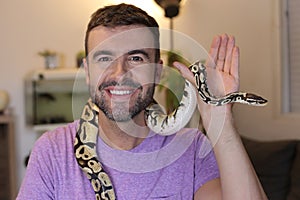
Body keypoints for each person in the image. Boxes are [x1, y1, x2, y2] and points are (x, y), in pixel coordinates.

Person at [17, 3, 267, 200]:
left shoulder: (191, 149)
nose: (119, 74)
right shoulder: (52, 151)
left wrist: (220, 119)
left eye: (136, 59)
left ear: (158, 72)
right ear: (87, 72)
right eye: (104, 58)